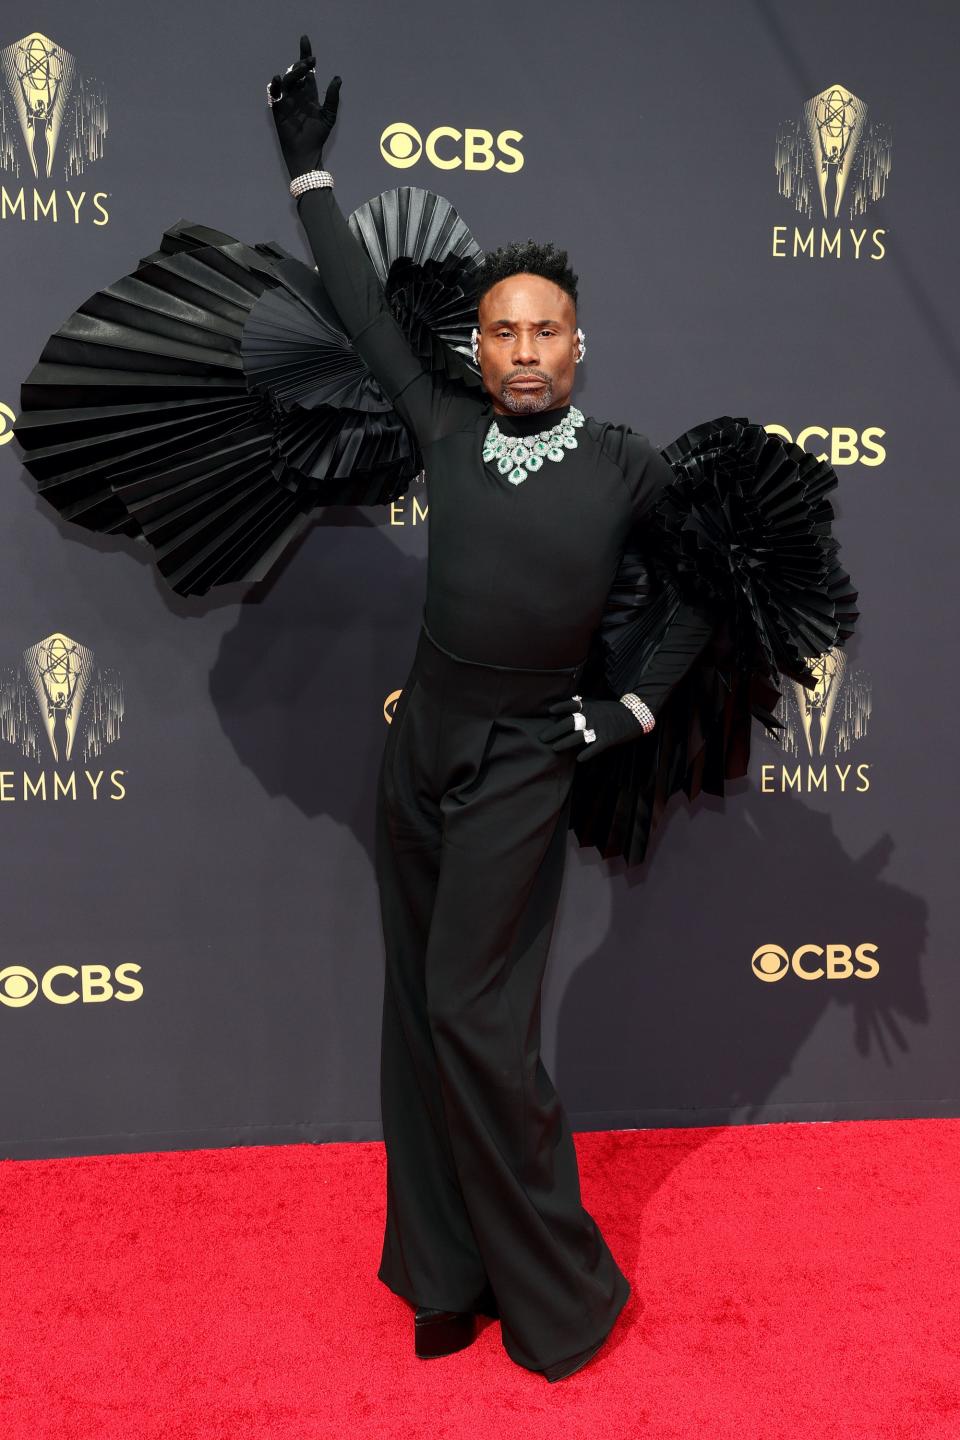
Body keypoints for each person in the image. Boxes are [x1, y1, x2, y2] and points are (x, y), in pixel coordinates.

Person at [267, 37, 725, 1383]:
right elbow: (355, 303)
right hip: (419, 749)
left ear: (582, 347)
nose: (524, 351)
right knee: (419, 1007)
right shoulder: (448, 426)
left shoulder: (630, 467)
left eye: (547, 333)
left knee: (476, 1014)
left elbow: (709, 588)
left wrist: (632, 713)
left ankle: (560, 1289)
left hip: (529, 754)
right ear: (479, 346)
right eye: (504, 332)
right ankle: (442, 1272)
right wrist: (308, 168)